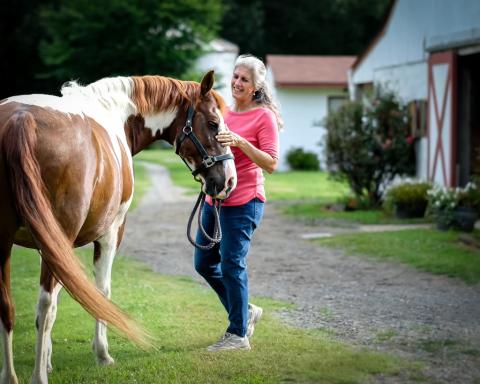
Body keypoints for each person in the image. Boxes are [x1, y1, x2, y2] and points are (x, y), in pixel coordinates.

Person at [194, 54, 282, 351]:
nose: (237, 83)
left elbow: (270, 163)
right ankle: (246, 311)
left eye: (244, 79)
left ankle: (238, 334)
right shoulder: (223, 110)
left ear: (256, 86)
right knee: (204, 263)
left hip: (245, 201)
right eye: (235, 76)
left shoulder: (263, 117)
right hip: (214, 200)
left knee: (232, 264)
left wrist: (242, 142)